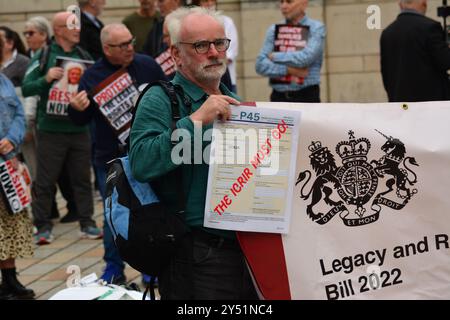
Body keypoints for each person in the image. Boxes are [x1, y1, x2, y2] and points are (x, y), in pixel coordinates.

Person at [129, 6, 258, 300]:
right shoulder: (159, 98)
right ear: (176, 54)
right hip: (195, 253)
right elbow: (142, 161)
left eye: (219, 43)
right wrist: (196, 120)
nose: (213, 52)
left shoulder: (235, 102)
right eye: (201, 45)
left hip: (246, 251)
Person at [69, 23, 167, 285]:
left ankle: (152, 266)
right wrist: (77, 108)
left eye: (130, 41)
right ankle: (113, 268)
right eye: (122, 45)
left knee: (151, 211)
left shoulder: (147, 64)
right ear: (106, 48)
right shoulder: (92, 75)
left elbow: (169, 96)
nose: (129, 48)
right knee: (114, 215)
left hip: (146, 152)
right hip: (109, 158)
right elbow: (80, 120)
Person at [22, 11, 103, 245]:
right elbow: (26, 88)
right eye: (71, 25)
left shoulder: (83, 55)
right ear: (58, 30)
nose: (77, 29)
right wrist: (45, 79)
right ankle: (42, 226)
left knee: (82, 180)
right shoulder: (44, 55)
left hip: (79, 129)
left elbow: (95, 87)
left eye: (77, 25)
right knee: (45, 180)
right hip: (51, 129)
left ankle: (87, 223)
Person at [22, 16, 78, 223]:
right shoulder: (35, 56)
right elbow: (27, 89)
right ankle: (47, 213)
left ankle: (75, 210)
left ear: (45, 34)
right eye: (25, 33)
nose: (27, 37)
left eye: (31, 33)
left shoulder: (57, 54)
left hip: (62, 122)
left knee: (63, 171)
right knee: (42, 171)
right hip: (42, 121)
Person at [0, 36, 35, 300]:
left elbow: (20, 115)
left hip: (8, 163)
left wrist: (11, 138)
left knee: (11, 225)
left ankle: (10, 280)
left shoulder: (4, 81)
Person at [255, 0, 325, 102]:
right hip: (278, 97)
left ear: (303, 4)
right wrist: (291, 70)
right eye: (281, 2)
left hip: (307, 96)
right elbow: (260, 65)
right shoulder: (273, 29)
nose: (283, 6)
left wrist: (274, 56)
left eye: (289, 2)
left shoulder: (316, 28)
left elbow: (305, 58)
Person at [380, 0, 450, 102]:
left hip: (400, 104)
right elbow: (446, 61)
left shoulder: (387, 33)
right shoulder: (430, 27)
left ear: (400, 5)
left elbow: (386, 74)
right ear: (423, 3)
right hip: (431, 105)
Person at [193, 0, 239, 93]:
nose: (210, 4)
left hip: (224, 80)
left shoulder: (226, 22)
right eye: (205, 1)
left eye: (212, 0)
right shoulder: (193, 24)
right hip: (201, 82)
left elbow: (230, 54)